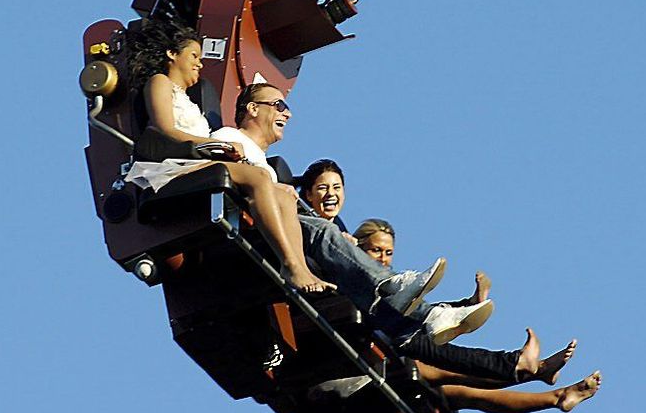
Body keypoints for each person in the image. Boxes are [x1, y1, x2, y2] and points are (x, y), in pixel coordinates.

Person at [211, 83, 495, 345]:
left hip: (283, 233)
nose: (288, 113)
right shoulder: (229, 137)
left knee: (356, 283)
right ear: (252, 108)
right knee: (325, 231)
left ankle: (433, 317)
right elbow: (219, 176)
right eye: (280, 106)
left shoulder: (267, 166)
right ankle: (392, 283)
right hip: (251, 232)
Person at [121, 19, 332, 294]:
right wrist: (211, 144)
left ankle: (300, 268)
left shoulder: (190, 101)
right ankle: (291, 265)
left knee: (282, 194)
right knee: (257, 176)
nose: (199, 64)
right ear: (172, 54)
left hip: (198, 160)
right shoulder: (160, 82)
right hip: (172, 166)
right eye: (194, 55)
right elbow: (166, 128)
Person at [354, 218, 602, 413]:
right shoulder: (351, 273)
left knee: (468, 394)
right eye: (376, 250)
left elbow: (408, 313)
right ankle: (530, 371)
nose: (383, 259)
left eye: (388, 252)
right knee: (451, 377)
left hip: (396, 346)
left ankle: (555, 396)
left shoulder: (388, 284)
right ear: (358, 246)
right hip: (378, 350)